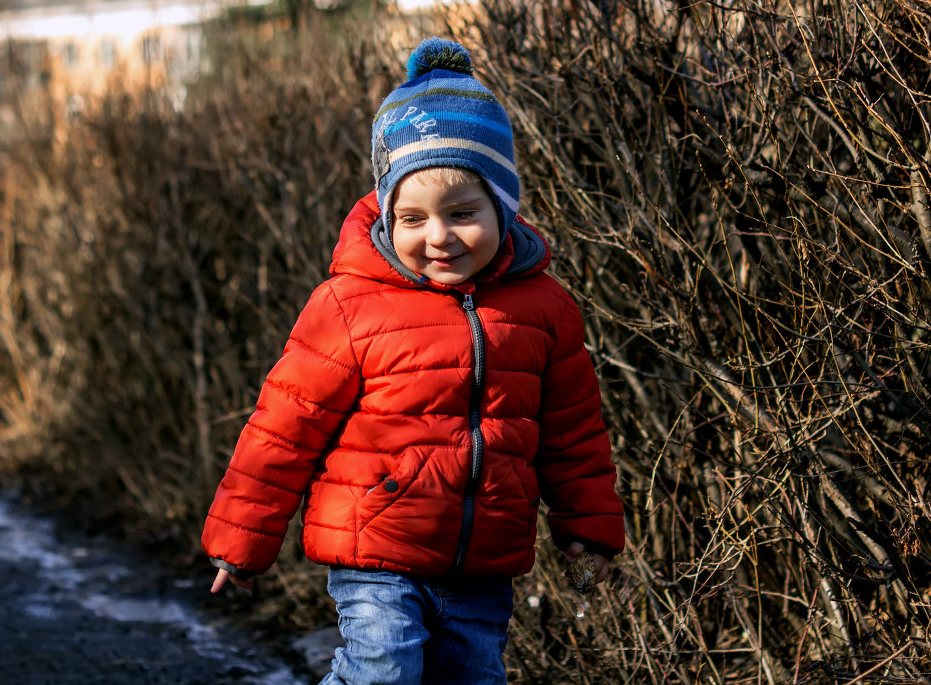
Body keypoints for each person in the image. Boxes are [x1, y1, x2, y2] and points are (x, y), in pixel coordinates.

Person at [202, 37, 625, 685]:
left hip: (482, 558)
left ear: (503, 208)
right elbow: (283, 428)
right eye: (412, 217)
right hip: (376, 545)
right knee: (384, 668)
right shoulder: (349, 303)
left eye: (462, 213)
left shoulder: (545, 308)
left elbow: (573, 432)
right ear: (386, 213)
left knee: (472, 676)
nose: (438, 236)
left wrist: (587, 527)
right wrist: (242, 539)